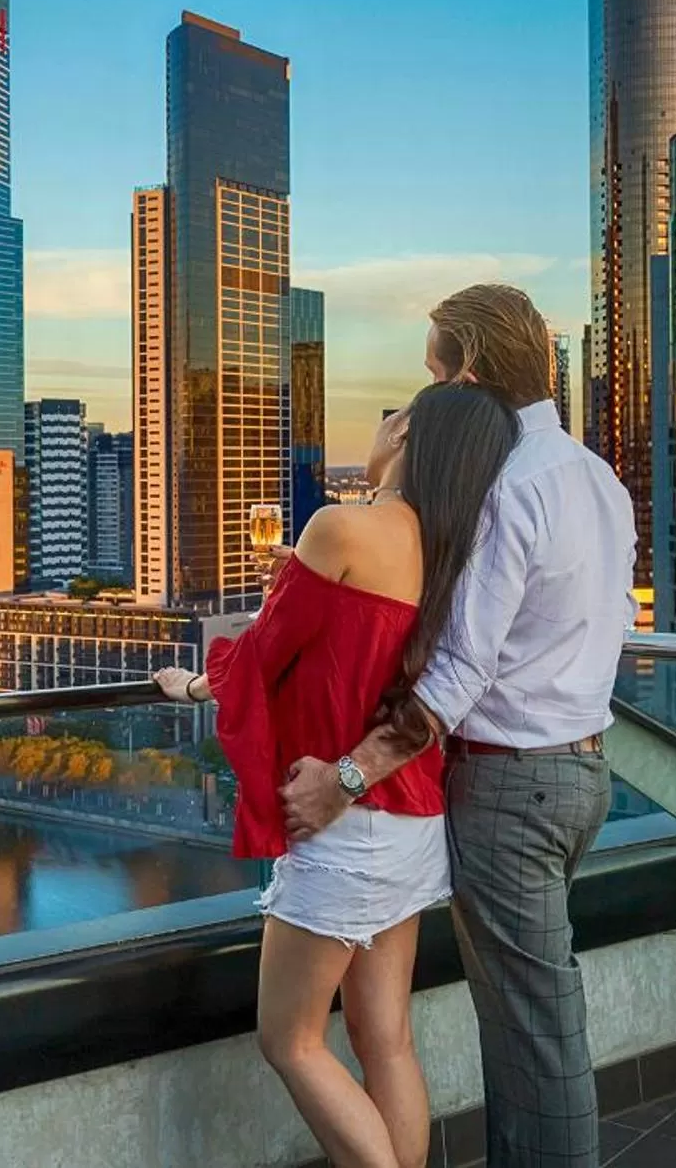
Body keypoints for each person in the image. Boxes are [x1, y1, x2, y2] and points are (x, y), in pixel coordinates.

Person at [279, 283, 636, 1168]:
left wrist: (344, 779)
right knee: (528, 1025)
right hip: (584, 772)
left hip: (513, 785)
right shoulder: (598, 478)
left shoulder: (511, 488)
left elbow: (458, 674)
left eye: (432, 371)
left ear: (467, 372)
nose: (427, 392)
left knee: (534, 1037)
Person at [156, 381, 520, 1168]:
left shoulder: (341, 525)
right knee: (384, 1037)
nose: (381, 422)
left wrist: (190, 682)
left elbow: (260, 657)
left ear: (410, 436)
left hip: (344, 820)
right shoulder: (451, 552)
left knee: (288, 1037)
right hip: (413, 816)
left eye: (394, 412)